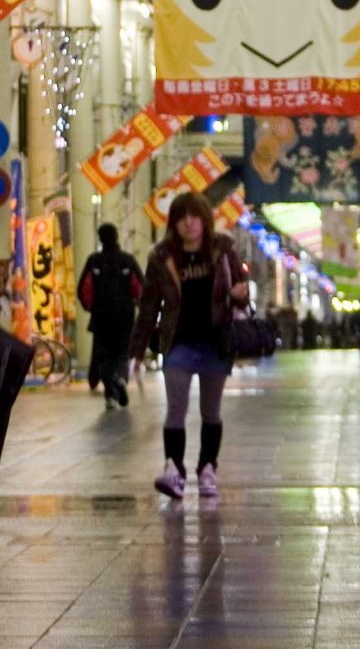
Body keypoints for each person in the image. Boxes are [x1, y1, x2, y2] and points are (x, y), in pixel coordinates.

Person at [128, 192, 249, 500]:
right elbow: (148, 305)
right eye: (181, 218)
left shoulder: (223, 249)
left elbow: (242, 294)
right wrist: (137, 350)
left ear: (204, 218)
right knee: (176, 409)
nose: (188, 223)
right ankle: (174, 470)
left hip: (215, 343)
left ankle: (207, 468)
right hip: (177, 343)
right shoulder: (162, 256)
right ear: (174, 223)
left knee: (211, 411)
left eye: (194, 216)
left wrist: (239, 293)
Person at [76, 223, 143, 408]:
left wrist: (89, 307)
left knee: (104, 356)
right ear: (116, 237)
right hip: (125, 316)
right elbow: (141, 287)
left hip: (100, 317)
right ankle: (121, 379)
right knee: (122, 353)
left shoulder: (94, 260)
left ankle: (110, 396)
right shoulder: (127, 260)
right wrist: (137, 305)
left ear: (100, 238)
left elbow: (83, 288)